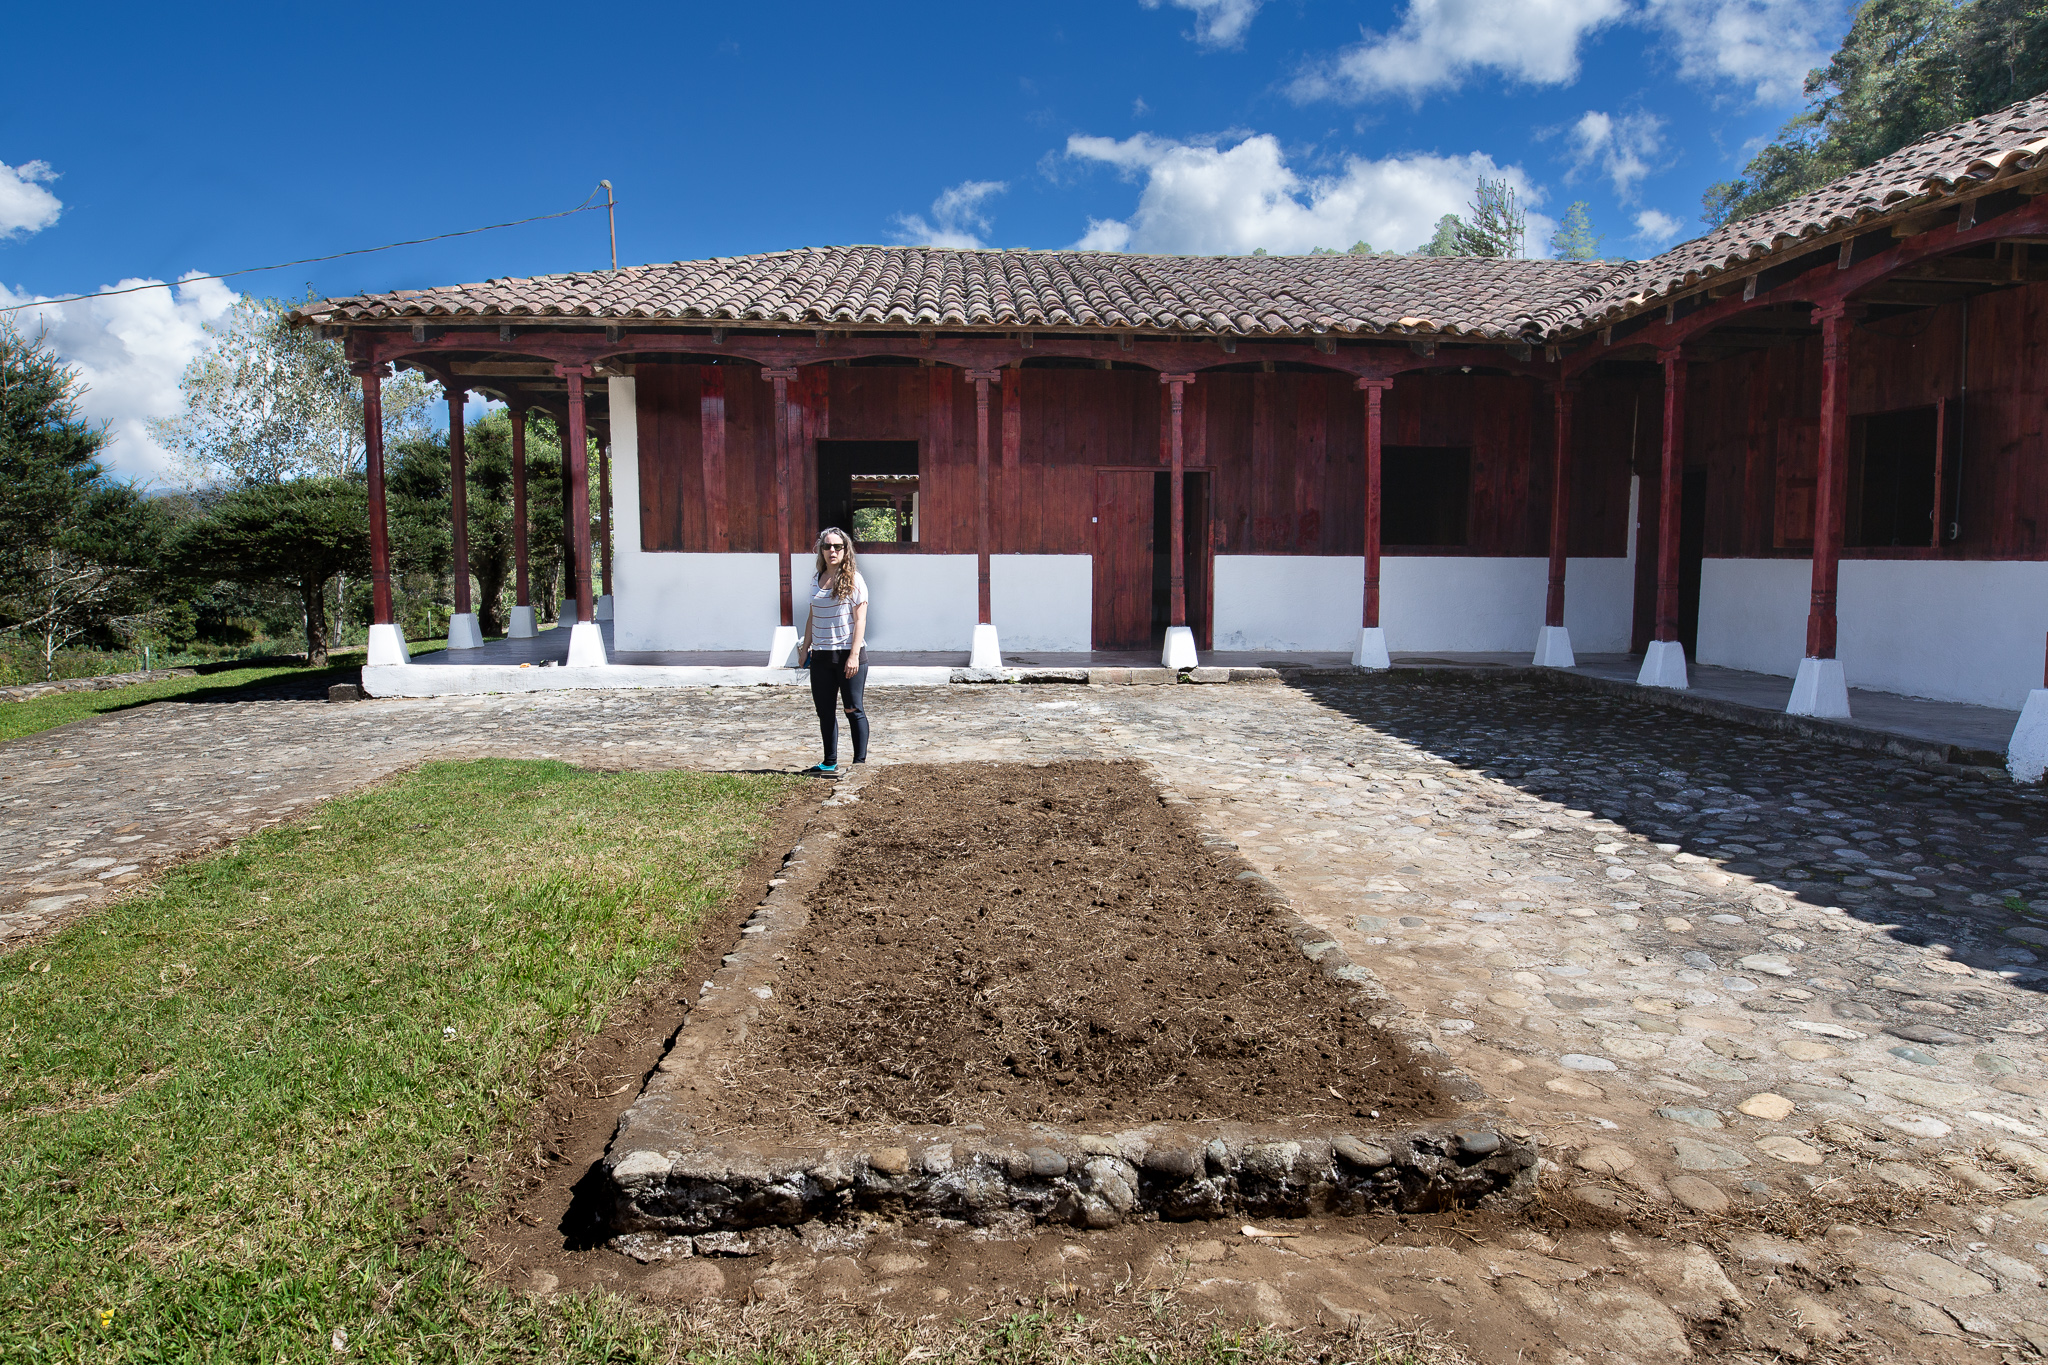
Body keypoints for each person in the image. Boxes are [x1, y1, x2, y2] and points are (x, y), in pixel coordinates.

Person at [795, 527, 869, 775]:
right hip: (821, 655)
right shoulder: (816, 579)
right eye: (827, 546)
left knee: (852, 709)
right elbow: (812, 615)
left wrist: (854, 656)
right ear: (821, 550)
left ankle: (859, 764)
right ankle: (829, 762)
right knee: (825, 711)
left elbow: (860, 621)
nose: (832, 551)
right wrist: (805, 648)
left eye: (838, 546)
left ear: (845, 550)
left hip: (847, 654)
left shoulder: (855, 579)